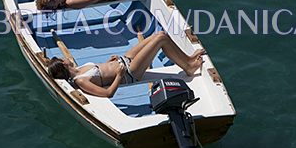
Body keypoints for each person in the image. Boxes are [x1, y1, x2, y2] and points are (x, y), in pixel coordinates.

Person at [45, 31, 205, 97]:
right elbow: (107, 93)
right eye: (61, 59)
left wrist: (108, 62)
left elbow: (100, 71)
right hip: (129, 72)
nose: (63, 58)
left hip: (125, 59)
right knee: (160, 40)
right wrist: (119, 75)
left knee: (159, 34)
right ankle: (189, 66)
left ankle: (189, 60)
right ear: (63, 65)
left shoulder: (78, 69)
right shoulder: (80, 80)